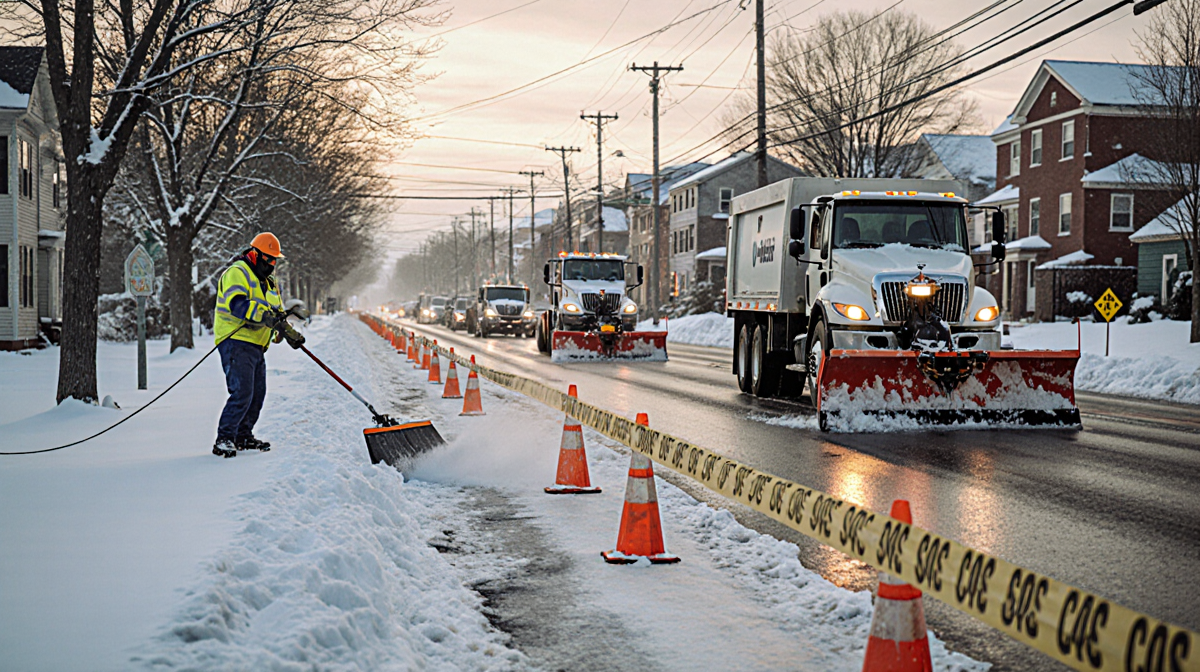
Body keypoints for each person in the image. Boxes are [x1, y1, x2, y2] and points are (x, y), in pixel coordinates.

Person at [211, 232, 306, 458]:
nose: (272, 264)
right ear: (255, 254)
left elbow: (276, 314)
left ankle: (243, 436)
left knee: (257, 394)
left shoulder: (270, 283)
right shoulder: (237, 273)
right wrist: (265, 317)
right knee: (242, 391)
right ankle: (224, 438)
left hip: (256, 345)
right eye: (268, 259)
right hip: (235, 340)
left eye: (275, 260)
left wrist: (286, 331)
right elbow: (238, 304)